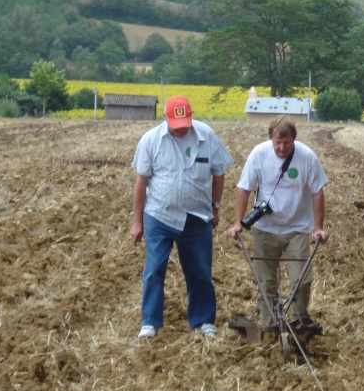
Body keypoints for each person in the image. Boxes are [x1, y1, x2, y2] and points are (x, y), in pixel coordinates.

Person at [130, 96, 234, 339]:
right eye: (176, 124)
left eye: (185, 122)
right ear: (165, 118)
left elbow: (219, 173)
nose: (181, 128)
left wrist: (215, 208)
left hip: (197, 217)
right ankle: (150, 322)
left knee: (199, 271)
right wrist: (138, 222)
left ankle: (203, 320)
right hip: (159, 215)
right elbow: (141, 182)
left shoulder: (206, 136)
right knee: (154, 269)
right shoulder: (150, 140)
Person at [228, 115, 329, 332]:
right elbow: (244, 188)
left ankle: (300, 320)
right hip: (265, 229)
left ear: (294, 139)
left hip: (297, 229)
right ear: (270, 139)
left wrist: (318, 227)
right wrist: (238, 222)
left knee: (302, 280)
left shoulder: (307, 157)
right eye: (278, 143)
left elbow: (317, 192)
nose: (282, 148)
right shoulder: (259, 154)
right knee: (266, 283)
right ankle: (271, 325)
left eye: (287, 143)